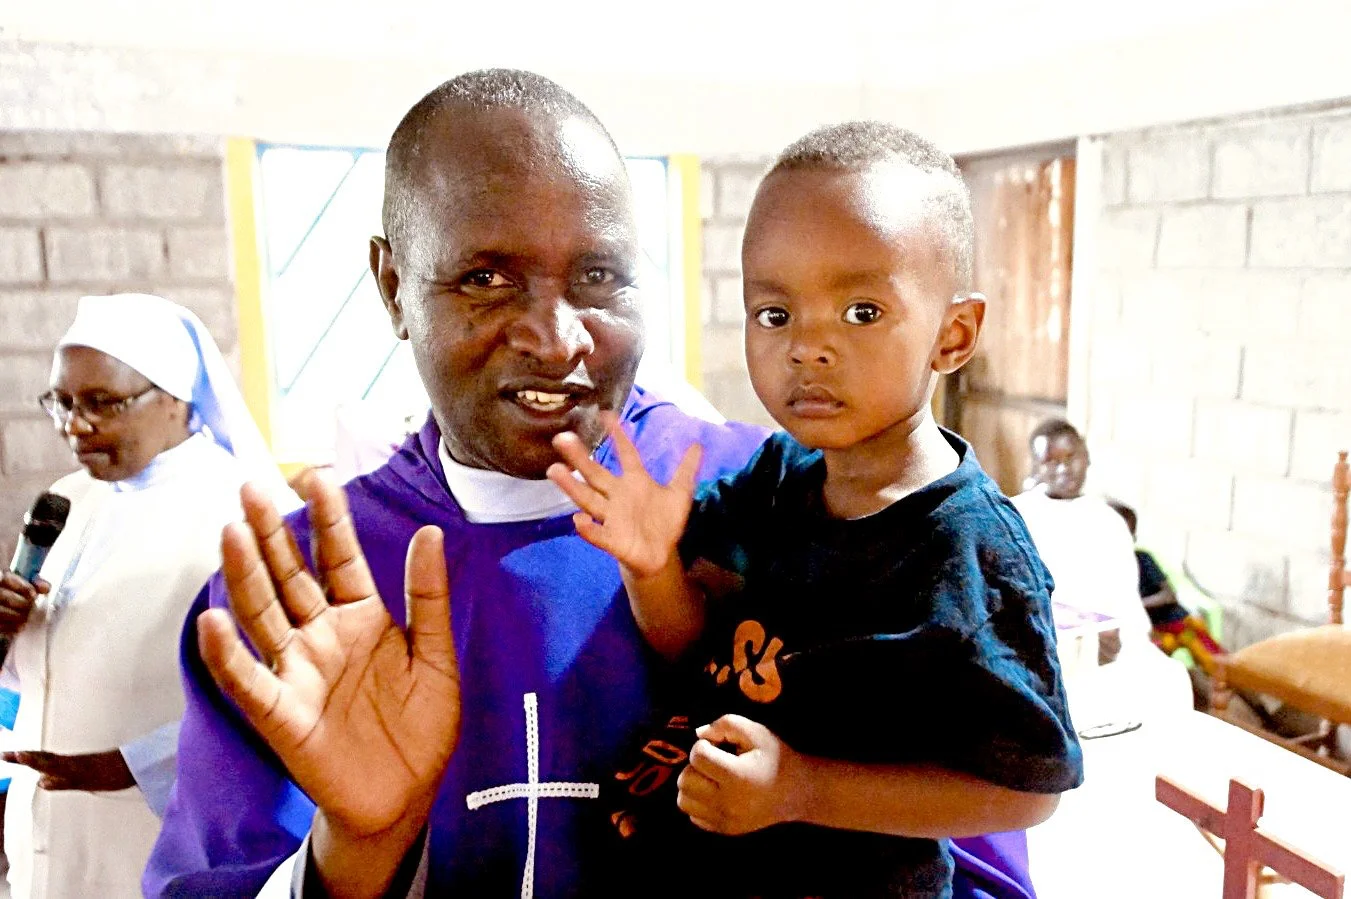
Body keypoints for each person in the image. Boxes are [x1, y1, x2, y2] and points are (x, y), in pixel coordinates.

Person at [146, 71, 1051, 899]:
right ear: (392, 286)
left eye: (598, 276)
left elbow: (978, 852)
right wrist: (353, 851)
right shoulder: (298, 589)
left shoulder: (819, 510)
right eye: (486, 278)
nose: (556, 337)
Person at [547, 122, 1082, 898]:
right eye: (775, 315)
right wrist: (650, 566)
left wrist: (803, 788)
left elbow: (1028, 789)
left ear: (953, 334)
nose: (807, 348)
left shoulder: (967, 552)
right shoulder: (778, 477)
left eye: (861, 312)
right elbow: (692, 648)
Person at [0, 293, 291, 898]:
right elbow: (43, 675)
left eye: (102, 403)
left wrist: (133, 764)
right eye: (62, 402)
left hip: (161, 829)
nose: (75, 426)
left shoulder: (246, 512)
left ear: (175, 398)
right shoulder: (66, 500)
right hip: (51, 832)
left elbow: (280, 691)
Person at [1011, 419, 1153, 661]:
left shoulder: (1110, 522)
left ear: (1086, 457)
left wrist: (1114, 638)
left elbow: (1125, 599)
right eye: (1051, 461)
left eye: (1071, 457)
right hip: (1035, 639)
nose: (1064, 468)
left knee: (1169, 675)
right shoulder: (1014, 515)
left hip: (1104, 643)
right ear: (1036, 468)